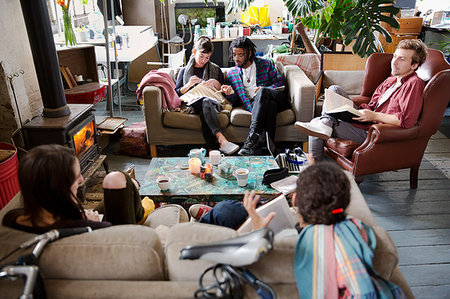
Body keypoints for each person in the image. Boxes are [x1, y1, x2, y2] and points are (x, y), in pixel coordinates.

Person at [244, 161, 406, 298]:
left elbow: (249, 259)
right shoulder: (361, 229)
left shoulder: (286, 240)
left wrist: (258, 230)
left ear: (294, 200)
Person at [294, 39, 428, 160]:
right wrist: (355, 112)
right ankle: (326, 122)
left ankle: (313, 171)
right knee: (334, 89)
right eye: (395, 56)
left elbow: (406, 121)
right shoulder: (391, 80)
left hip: (374, 130)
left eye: (402, 59)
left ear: (414, 65)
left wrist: (373, 115)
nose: (395, 62)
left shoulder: (414, 84)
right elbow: (373, 104)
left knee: (316, 125)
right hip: (365, 119)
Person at [2, 144, 152, 233]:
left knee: (114, 180)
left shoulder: (11, 218)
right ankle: (134, 191)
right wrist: (92, 222)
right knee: (123, 184)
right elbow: (115, 236)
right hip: (120, 233)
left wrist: (78, 217)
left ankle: (131, 186)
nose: (81, 180)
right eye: (77, 177)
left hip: (68, 217)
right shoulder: (87, 228)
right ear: (60, 188)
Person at [226, 36, 291, 156]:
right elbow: (234, 101)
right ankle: (269, 149)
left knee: (262, 92)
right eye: (234, 55)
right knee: (270, 106)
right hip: (259, 104)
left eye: (240, 55)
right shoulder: (232, 74)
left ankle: (251, 140)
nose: (236, 58)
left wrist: (265, 89)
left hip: (277, 98)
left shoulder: (265, 64)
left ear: (249, 53)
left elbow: (281, 84)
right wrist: (230, 93)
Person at [175, 36, 239, 155]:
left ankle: (213, 148)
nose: (204, 60)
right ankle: (220, 141)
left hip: (211, 104)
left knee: (205, 102)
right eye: (201, 56)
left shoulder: (215, 69)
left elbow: (225, 95)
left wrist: (217, 84)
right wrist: (189, 84)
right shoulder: (184, 71)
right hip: (191, 105)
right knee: (204, 103)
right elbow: (177, 93)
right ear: (194, 52)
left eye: (207, 57)